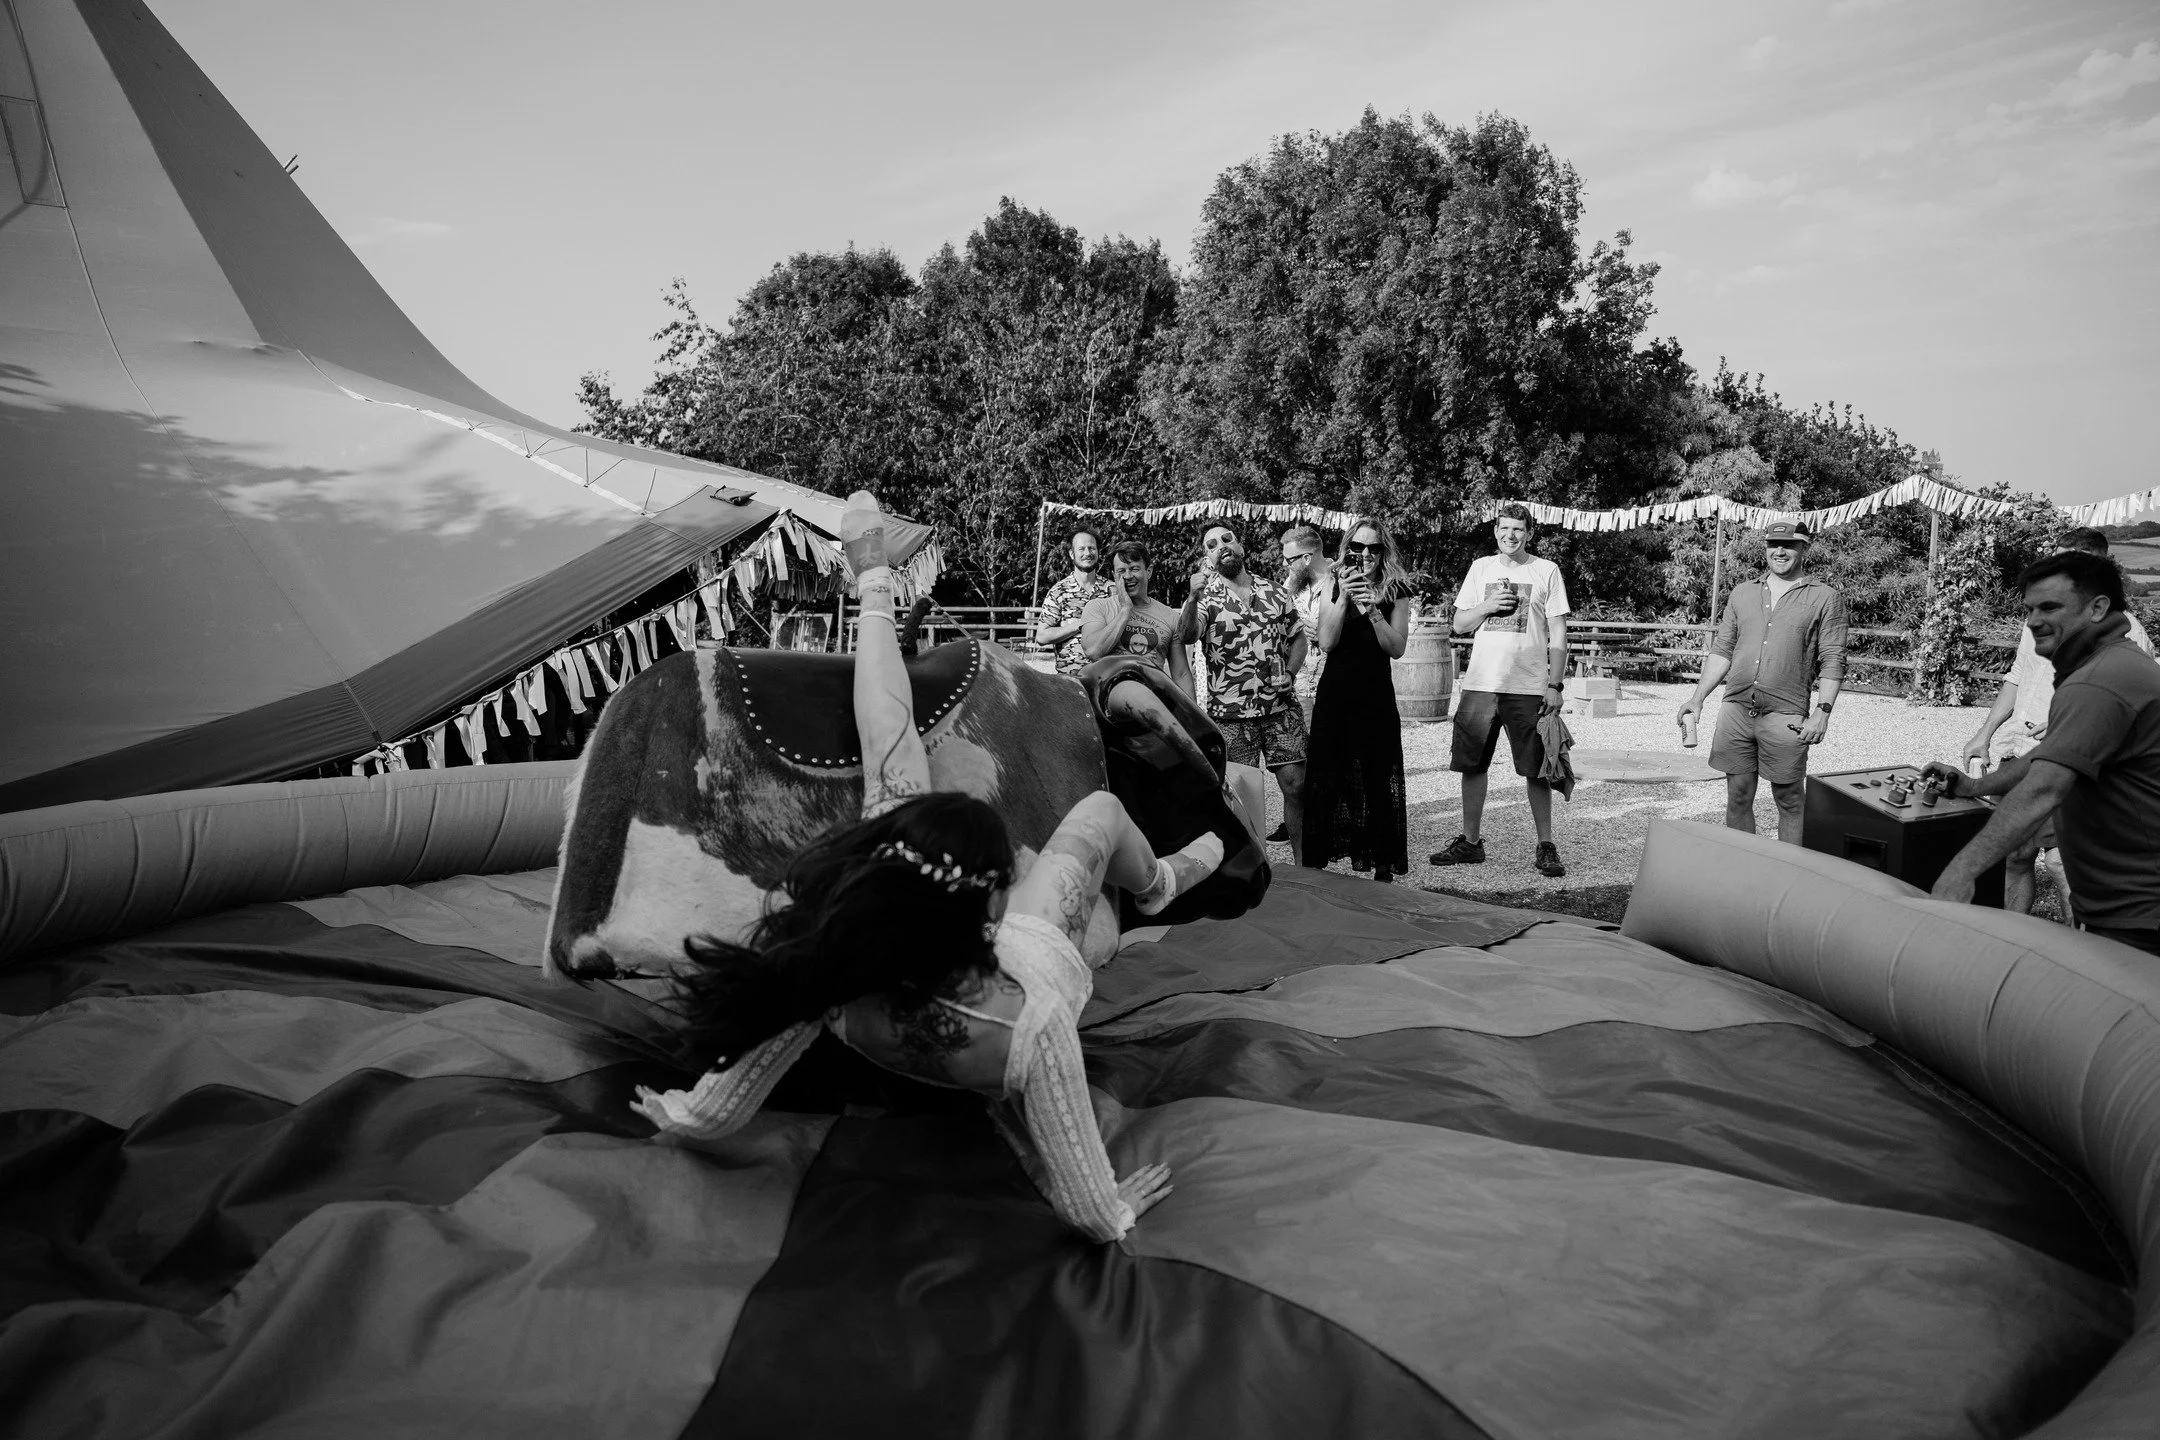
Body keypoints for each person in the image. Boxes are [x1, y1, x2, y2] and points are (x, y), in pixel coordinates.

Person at [634, 492, 1227, 1242]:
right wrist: (1117, 1208)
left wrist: (683, 1115)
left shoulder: (835, 968)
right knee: (1102, 814)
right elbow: (1085, 1203)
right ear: (993, 904)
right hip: (1023, 972)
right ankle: (1162, 882)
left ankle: (873, 586)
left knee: (891, 760)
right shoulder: (1035, 1021)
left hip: (919, 969)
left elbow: (727, 1095)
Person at [1924, 551, 2160, 957]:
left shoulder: (2097, 682)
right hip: (2127, 902)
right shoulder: (2109, 661)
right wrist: (1974, 786)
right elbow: (2049, 755)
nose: (2033, 621)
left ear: (2097, 608)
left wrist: (1960, 872)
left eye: (2050, 607)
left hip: (2138, 911)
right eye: (2030, 609)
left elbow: (2043, 788)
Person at [1962, 528, 2152, 914]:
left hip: (2070, 761)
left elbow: (2132, 699)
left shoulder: (2126, 628)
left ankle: (2080, 945)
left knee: (2063, 865)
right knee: (2014, 854)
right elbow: (2019, 676)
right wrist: (1985, 732)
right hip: (2019, 752)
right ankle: (2012, 938)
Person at [1676, 520, 1849, 846]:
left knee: (1789, 798)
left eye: (1789, 545)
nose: (1779, 551)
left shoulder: (1825, 598)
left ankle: (1787, 870)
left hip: (1786, 713)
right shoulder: (1742, 593)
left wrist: (1822, 712)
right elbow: (1722, 650)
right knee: (1738, 795)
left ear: (1804, 548)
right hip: (1736, 710)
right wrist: (1697, 698)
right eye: (1773, 544)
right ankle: (1745, 867)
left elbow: (1833, 659)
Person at [1430, 504, 1570, 878]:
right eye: (1504, 528)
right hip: (1480, 683)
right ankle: (1471, 842)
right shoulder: (1481, 568)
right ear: (1495, 531)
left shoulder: (1546, 570)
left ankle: (1545, 845)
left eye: (1518, 529)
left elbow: (1558, 635)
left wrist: (1555, 685)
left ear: (1530, 533)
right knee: (1472, 764)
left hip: (1528, 686)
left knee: (1536, 769)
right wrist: (1487, 605)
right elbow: (1460, 624)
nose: (1510, 535)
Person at [1179, 523, 1308, 861]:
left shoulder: (1276, 592)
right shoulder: (1204, 599)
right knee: (1242, 798)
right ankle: (1253, 868)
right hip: (1231, 716)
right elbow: (1188, 635)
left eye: (1227, 539)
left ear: (1240, 547)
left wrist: (1291, 672)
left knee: (1297, 786)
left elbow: (1299, 638)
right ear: (1207, 558)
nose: (1221, 546)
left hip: (1280, 709)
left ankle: (1305, 868)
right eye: (1211, 545)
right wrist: (1191, 598)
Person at [1303, 517, 1411, 881]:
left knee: (1378, 778)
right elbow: (1326, 642)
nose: (1364, 554)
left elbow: (1396, 648)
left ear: (1383, 552)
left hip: (1375, 696)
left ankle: (1382, 866)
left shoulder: (1396, 590)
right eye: (1357, 547)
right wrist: (1345, 597)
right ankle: (1319, 863)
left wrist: (1373, 610)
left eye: (1373, 548)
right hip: (1335, 695)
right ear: (1346, 548)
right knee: (1327, 777)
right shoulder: (1332, 583)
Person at [1079, 540, 1193, 697]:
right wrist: (1125, 610)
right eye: (1121, 571)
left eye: (1134, 569)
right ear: (1114, 575)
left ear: (1149, 571)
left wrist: (1191, 712)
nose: (1128, 576)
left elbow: (1181, 674)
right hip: (1107, 698)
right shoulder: (1098, 607)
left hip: (1152, 701)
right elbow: (1093, 651)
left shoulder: (1171, 617)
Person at [1033, 526, 1117, 676]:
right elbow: (1042, 636)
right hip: (1070, 679)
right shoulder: (1059, 591)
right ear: (1072, 554)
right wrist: (1080, 625)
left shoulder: (1112, 590)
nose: (1087, 553)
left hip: (1106, 676)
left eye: (1092, 548)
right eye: (1081, 549)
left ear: (1098, 552)